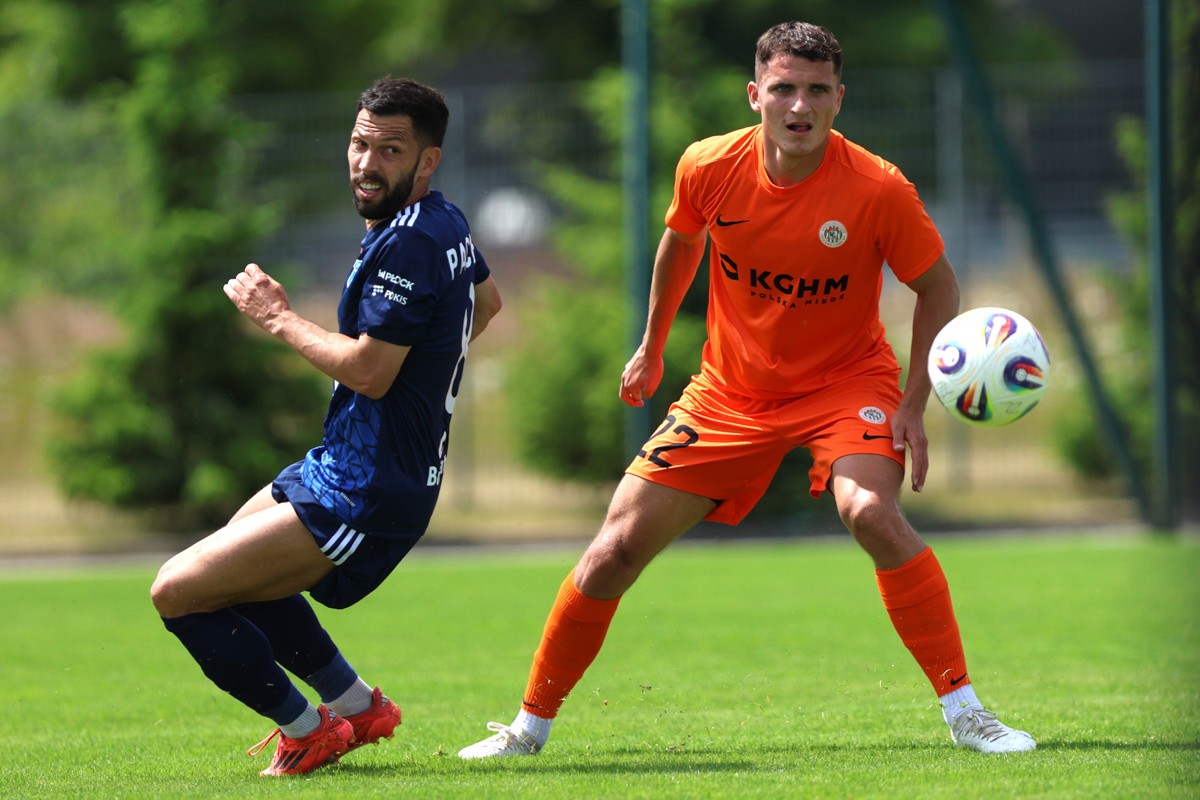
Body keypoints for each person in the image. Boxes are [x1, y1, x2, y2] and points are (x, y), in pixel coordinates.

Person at [458, 21, 1034, 759]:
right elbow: (681, 240)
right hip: (729, 392)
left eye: (817, 90)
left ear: (839, 99)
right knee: (614, 549)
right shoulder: (708, 165)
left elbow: (938, 286)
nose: (800, 106)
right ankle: (527, 729)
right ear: (755, 94)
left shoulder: (878, 188)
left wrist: (913, 403)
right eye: (785, 88)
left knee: (870, 512)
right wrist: (651, 346)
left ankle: (967, 713)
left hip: (845, 383)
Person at [150, 77, 502, 777]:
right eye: (359, 144)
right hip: (346, 462)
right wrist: (423, 380)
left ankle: (309, 730)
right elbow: (486, 302)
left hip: (370, 486)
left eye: (390, 150)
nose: (367, 163)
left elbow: (370, 371)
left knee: (177, 591)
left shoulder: (410, 243)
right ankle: (355, 705)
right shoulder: (443, 221)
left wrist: (278, 318)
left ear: (427, 160)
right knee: (233, 570)